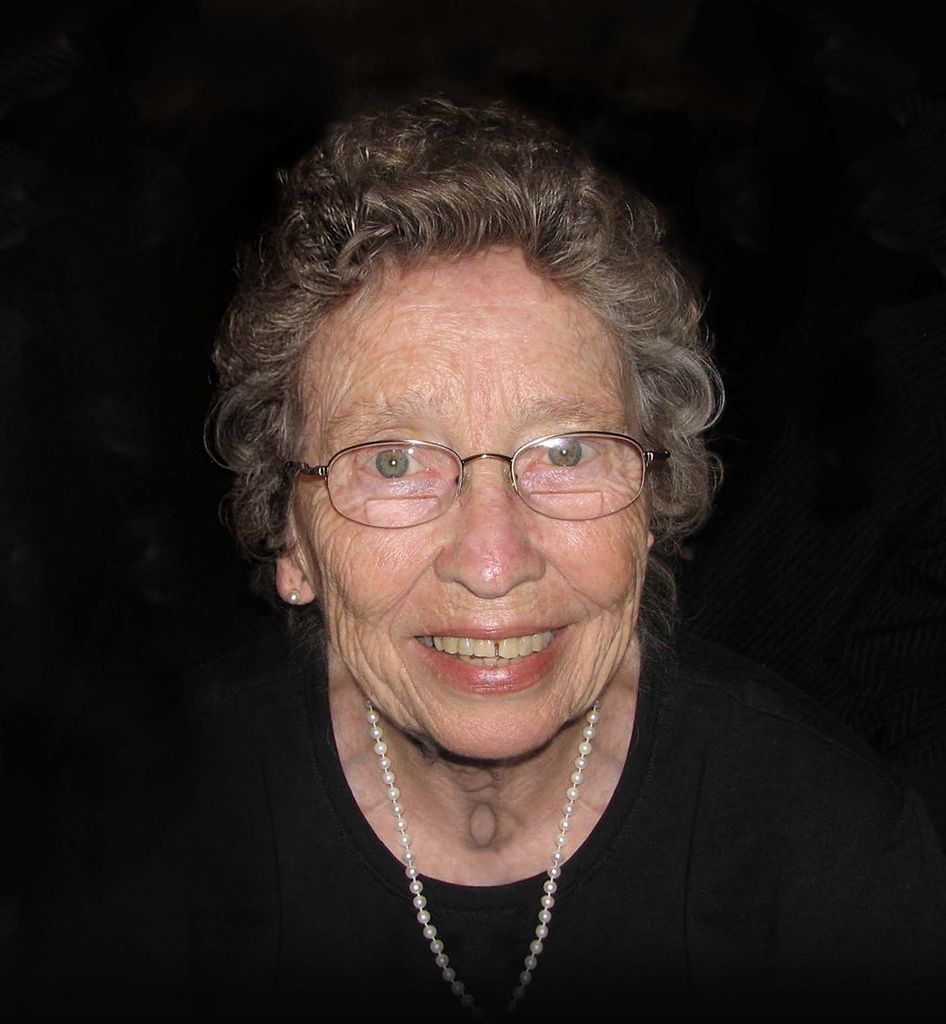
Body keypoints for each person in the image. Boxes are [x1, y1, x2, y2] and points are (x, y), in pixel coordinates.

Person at [21, 97, 943, 1016]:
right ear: (292, 538)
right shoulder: (125, 859)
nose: (493, 562)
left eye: (566, 452)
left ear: (652, 506)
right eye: (393, 462)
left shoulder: (836, 860)